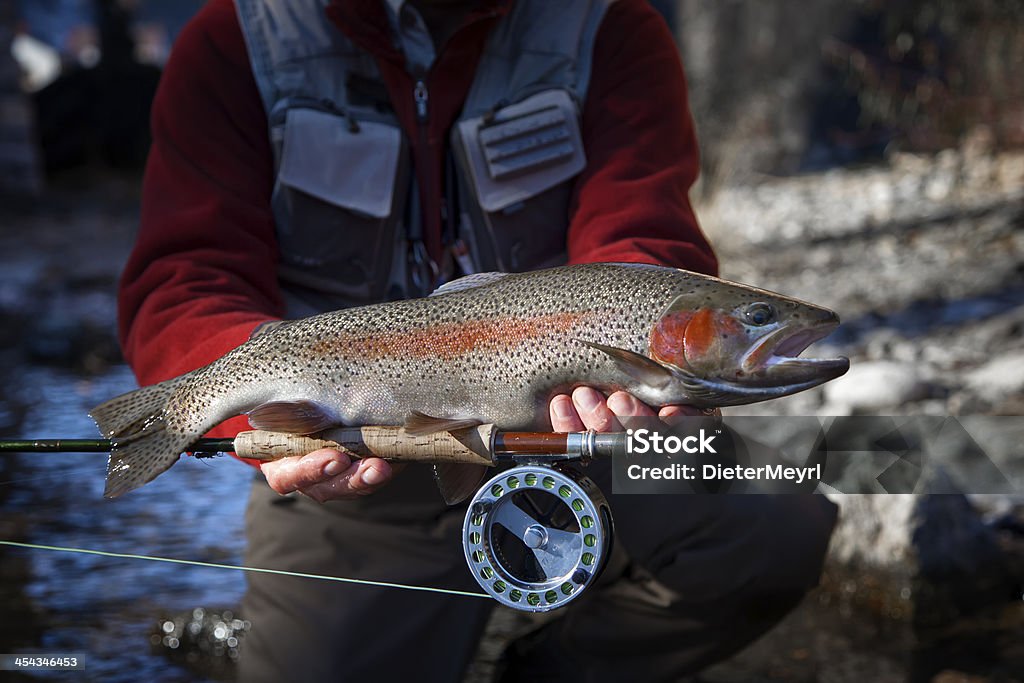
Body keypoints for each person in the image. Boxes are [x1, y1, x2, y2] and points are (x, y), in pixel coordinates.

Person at [118, 0, 838, 681]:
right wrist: (264, 416)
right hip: (363, 478)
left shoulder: (606, 24)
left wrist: (635, 349)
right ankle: (237, 635)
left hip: (587, 448)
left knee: (776, 523)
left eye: (756, 322)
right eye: (760, 320)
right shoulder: (237, 38)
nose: (768, 331)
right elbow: (183, 282)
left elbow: (639, 232)